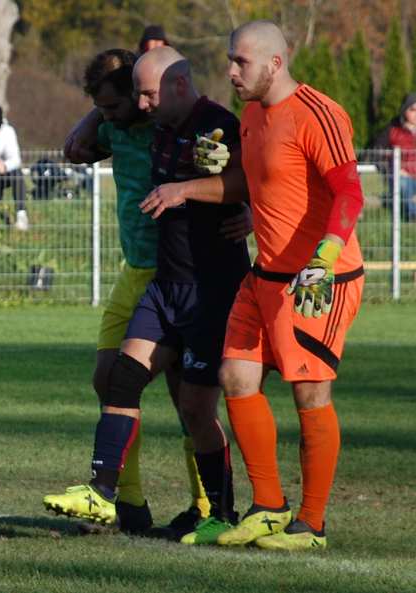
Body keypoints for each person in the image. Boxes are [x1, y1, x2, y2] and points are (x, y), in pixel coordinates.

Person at [142, 21, 366, 551]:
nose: (231, 71)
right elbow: (254, 183)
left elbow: (349, 193)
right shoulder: (250, 115)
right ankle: (268, 508)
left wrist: (326, 255)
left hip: (318, 278)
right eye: (229, 60)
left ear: (275, 62)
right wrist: (202, 188)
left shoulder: (320, 113)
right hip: (263, 274)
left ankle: (311, 525)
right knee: (236, 378)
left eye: (241, 62)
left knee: (309, 392)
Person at [45, 47, 251, 546]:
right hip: (152, 279)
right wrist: (101, 111)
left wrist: (244, 207)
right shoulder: (143, 127)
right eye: (132, 97)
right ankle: (111, 495)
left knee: (195, 406)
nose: (138, 106)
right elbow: (76, 148)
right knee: (117, 379)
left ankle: (214, 507)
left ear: (172, 87)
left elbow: (256, 177)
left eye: (144, 95)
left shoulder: (210, 124)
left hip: (202, 283)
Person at [371, 93, 416, 221]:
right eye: (412, 110)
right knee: (402, 183)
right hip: (403, 177)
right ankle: (412, 215)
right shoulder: (393, 130)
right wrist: (392, 170)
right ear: (404, 111)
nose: (415, 114)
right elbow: (376, 152)